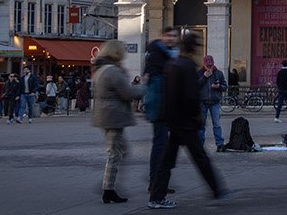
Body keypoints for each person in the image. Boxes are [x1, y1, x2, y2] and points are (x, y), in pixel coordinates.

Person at [149, 32, 230, 209]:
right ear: (193, 48)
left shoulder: (172, 64)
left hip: (174, 121)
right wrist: (196, 119)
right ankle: (217, 190)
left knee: (167, 161)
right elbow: (191, 96)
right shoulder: (187, 66)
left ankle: (156, 196)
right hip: (185, 122)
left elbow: (169, 94)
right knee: (200, 158)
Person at [93, 39, 144, 204]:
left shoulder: (101, 69)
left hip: (106, 115)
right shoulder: (113, 71)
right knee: (115, 153)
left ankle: (109, 183)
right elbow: (128, 93)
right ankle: (108, 188)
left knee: (120, 151)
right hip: (113, 116)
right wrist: (146, 87)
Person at [143, 27, 179, 203]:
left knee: (163, 145)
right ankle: (156, 183)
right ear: (162, 36)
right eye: (168, 35)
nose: (171, 38)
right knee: (161, 145)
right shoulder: (159, 53)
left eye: (174, 36)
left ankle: (157, 182)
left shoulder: (166, 53)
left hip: (165, 106)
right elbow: (157, 80)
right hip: (160, 106)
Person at [197, 55, 227, 151]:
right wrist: (204, 77)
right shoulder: (199, 73)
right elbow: (195, 86)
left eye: (211, 65)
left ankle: (220, 144)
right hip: (202, 102)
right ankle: (200, 145)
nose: (209, 67)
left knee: (217, 124)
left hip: (215, 102)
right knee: (201, 125)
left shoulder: (218, 73)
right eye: (208, 65)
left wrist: (218, 87)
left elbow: (225, 86)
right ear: (204, 64)